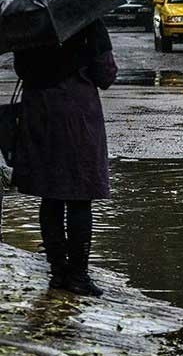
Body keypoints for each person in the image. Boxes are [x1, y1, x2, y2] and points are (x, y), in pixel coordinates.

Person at [12, 19, 117, 297]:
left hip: (39, 113)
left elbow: (22, 69)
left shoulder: (27, 23)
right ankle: (79, 275)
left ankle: (59, 272)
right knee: (80, 194)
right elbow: (105, 74)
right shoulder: (86, 20)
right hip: (76, 113)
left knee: (51, 193)